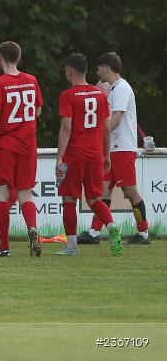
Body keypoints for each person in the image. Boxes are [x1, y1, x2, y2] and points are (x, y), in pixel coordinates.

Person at [78, 52, 150, 245]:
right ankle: (94, 232)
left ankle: (143, 233)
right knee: (102, 190)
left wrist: (97, 136)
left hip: (122, 148)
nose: (98, 71)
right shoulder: (115, 88)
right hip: (114, 148)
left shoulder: (121, 88)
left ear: (107, 67)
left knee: (129, 190)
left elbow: (116, 119)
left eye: (99, 68)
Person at [0, 41, 43, 258]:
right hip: (28, 145)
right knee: (25, 192)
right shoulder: (31, 80)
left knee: (1, 192)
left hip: (7, 145)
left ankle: (4, 246)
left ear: (0, 58)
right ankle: (32, 230)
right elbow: (37, 110)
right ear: (18, 57)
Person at [55, 53, 122, 256]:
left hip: (74, 156)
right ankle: (111, 226)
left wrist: (59, 158)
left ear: (69, 71)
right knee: (94, 199)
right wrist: (106, 155)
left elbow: (66, 128)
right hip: (94, 156)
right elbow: (106, 129)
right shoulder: (100, 95)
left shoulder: (67, 96)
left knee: (68, 199)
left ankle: (72, 246)